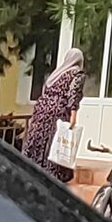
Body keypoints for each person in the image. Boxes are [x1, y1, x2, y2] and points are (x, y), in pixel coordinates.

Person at [22, 48, 85, 183]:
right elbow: (73, 95)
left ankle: (33, 170)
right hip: (57, 111)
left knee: (39, 139)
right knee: (55, 142)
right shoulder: (77, 74)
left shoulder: (57, 73)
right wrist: (73, 115)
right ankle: (52, 175)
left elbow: (46, 90)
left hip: (42, 109)